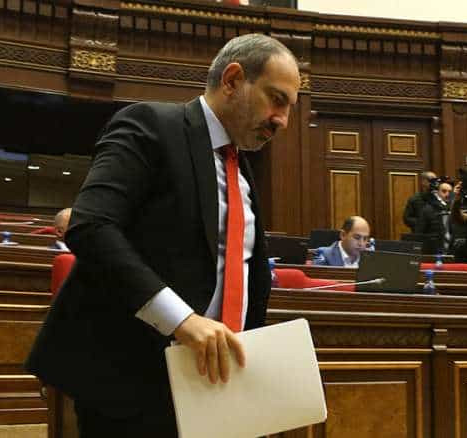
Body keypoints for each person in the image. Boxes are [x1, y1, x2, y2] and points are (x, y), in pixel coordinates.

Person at [25, 34, 300, 437]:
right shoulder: (150, 125)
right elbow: (92, 226)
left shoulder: (241, 170)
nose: (283, 121)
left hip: (211, 384)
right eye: (277, 100)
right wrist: (182, 320)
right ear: (232, 80)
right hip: (131, 382)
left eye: (289, 108)